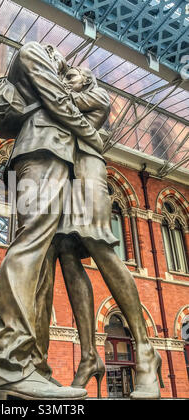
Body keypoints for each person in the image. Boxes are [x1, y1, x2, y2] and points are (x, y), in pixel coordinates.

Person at [0, 42, 104, 400]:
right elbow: (58, 101)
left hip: (54, 155)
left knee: (44, 265)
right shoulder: (33, 51)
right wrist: (94, 136)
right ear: (51, 50)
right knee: (30, 245)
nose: (65, 68)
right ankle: (7, 361)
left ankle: (33, 365)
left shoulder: (50, 67)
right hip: (40, 151)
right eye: (62, 63)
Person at [35, 66, 164, 400]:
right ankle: (90, 354)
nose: (65, 77)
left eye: (72, 74)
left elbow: (61, 107)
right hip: (62, 172)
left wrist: (49, 91)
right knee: (65, 253)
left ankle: (146, 350)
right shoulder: (66, 96)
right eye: (62, 76)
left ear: (87, 79)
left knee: (100, 243)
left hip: (88, 169)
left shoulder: (95, 95)